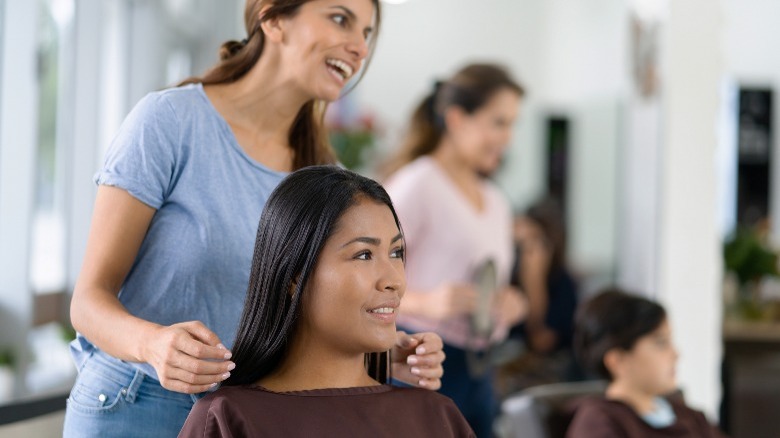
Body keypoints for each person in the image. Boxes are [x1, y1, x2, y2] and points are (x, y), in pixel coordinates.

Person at [64, 1, 445, 436]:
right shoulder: (170, 122)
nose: (359, 47)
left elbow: (302, 316)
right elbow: (87, 303)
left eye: (368, 33)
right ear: (273, 18)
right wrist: (152, 344)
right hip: (135, 404)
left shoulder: (325, 177)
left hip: (239, 416)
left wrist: (382, 352)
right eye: (341, 19)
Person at [178, 165, 474, 437]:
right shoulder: (228, 419)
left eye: (396, 253)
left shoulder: (436, 416)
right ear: (295, 275)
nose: (394, 280)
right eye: (363, 255)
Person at [382, 63, 528, 437]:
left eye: (512, 124)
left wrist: (512, 304)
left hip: (480, 368)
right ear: (458, 118)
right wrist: (426, 302)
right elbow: (361, 277)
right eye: (498, 122)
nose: (508, 137)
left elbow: (495, 283)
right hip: (420, 363)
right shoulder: (418, 184)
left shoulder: (496, 200)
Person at [566, 288, 725, 437]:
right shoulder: (598, 422)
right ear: (617, 360)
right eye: (661, 343)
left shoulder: (692, 418)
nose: (675, 354)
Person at [496, 197, 581, 396]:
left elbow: (541, 342)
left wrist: (534, 283)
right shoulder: (509, 275)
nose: (529, 250)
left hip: (548, 374)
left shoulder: (562, 283)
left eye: (537, 241)